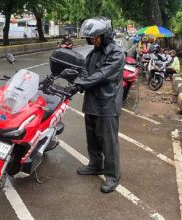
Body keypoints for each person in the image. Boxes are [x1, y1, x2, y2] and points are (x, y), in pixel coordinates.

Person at [63, 17, 125, 193]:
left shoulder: (116, 54)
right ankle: (96, 164)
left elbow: (102, 75)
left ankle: (112, 176)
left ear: (105, 35)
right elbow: (84, 71)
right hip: (92, 102)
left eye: (97, 37)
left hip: (107, 103)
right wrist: (73, 77)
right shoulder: (92, 53)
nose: (93, 40)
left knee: (108, 142)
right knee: (93, 138)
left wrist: (78, 85)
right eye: (91, 37)